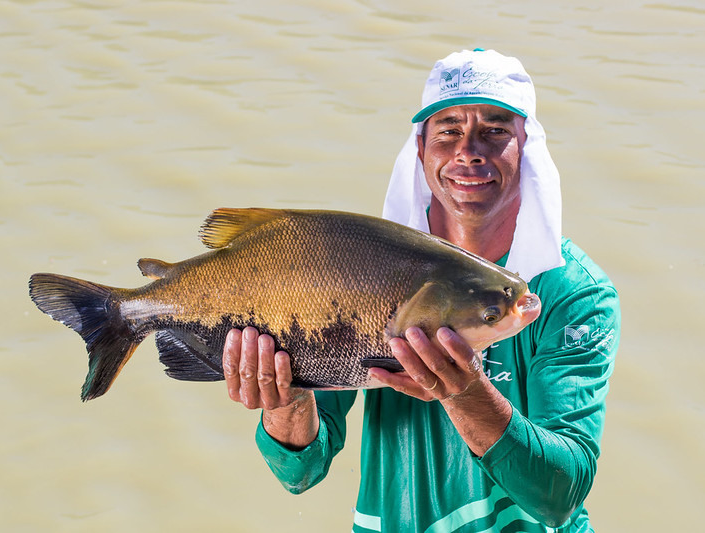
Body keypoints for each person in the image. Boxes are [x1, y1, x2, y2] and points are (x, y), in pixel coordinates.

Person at [222, 49, 620, 532]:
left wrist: (466, 392)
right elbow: (302, 471)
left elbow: (561, 496)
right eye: (448, 130)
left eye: (496, 130)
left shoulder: (574, 291)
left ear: (528, 146)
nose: (469, 150)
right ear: (420, 149)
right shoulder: (362, 265)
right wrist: (285, 401)